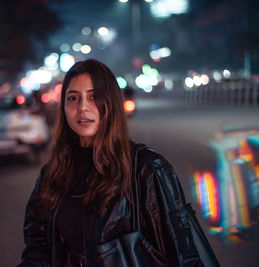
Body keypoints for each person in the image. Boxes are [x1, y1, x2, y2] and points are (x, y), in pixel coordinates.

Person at [19, 59, 204, 266]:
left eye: (94, 97)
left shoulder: (148, 169)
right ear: (63, 106)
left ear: (111, 102)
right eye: (73, 98)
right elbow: (37, 248)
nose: (83, 107)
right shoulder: (52, 174)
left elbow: (183, 255)